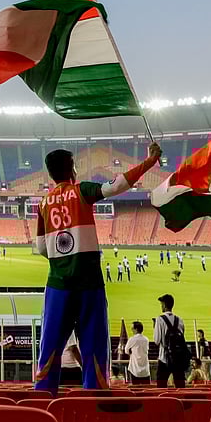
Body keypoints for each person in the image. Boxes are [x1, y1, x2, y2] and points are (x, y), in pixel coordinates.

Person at [34, 144, 163, 392]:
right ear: (72, 169)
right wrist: (149, 161)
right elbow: (116, 186)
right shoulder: (82, 190)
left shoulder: (44, 203)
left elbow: (41, 247)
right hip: (89, 282)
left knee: (50, 344)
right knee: (94, 343)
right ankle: (94, 397)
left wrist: (62, 258)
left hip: (58, 284)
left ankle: (42, 399)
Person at [154, 293, 189, 388]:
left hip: (164, 358)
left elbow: (157, 340)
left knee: (161, 385)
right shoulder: (179, 320)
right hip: (178, 357)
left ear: (164, 305)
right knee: (180, 385)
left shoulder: (160, 319)